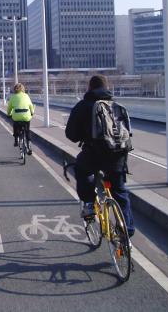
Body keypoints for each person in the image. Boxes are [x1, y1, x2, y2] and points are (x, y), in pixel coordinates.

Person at [65, 74, 135, 237]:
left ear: (90, 87)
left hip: (94, 153)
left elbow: (71, 134)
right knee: (120, 191)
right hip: (118, 154)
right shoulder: (116, 105)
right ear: (106, 87)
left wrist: (84, 135)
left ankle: (89, 204)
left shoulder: (83, 106)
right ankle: (128, 229)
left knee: (83, 171)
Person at [6, 83, 34, 154]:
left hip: (17, 116)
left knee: (15, 126)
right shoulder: (26, 96)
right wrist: (32, 113)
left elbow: (9, 108)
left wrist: (8, 114)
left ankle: (16, 140)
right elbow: (31, 106)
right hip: (26, 116)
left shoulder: (13, 97)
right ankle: (29, 145)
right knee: (27, 130)